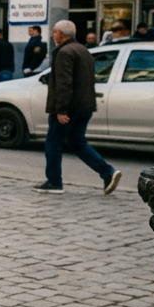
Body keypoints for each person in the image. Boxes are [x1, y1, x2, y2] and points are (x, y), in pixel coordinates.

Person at [34, 20, 121, 196]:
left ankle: (54, 182)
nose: (53, 35)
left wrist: (61, 110)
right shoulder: (83, 50)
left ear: (61, 34)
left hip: (69, 108)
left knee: (53, 143)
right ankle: (107, 172)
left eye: (55, 32)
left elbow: (64, 83)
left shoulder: (64, 52)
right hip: (84, 106)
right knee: (78, 142)